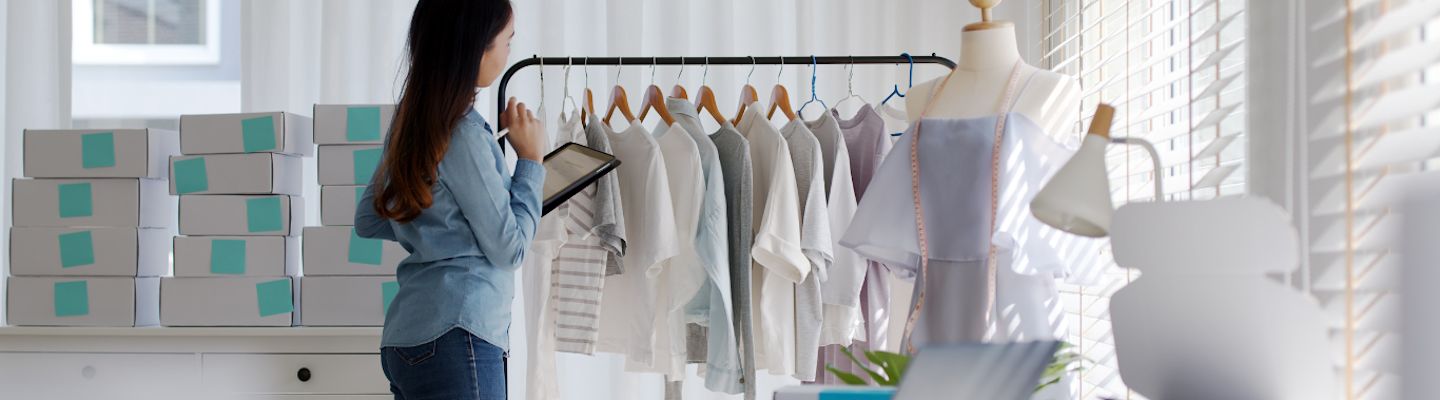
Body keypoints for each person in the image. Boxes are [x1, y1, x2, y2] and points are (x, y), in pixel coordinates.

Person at [354, 0, 546, 398]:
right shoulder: (465, 135)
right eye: (507, 42)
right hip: (461, 335)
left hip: (405, 338)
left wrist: (443, 222)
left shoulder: (412, 123)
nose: (510, 51)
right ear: (478, 48)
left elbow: (369, 221)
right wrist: (530, 161)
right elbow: (509, 250)